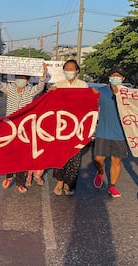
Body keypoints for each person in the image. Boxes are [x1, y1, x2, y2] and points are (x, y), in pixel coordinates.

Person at [0, 61, 47, 193]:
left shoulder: (30, 90)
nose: (20, 80)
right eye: (19, 77)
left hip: (24, 127)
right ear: (15, 78)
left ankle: (19, 183)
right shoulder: (10, 88)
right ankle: (8, 177)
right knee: (9, 153)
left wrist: (43, 74)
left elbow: (40, 88)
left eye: (23, 78)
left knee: (23, 156)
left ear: (28, 80)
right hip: (9, 126)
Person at [50, 59, 88, 196]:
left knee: (74, 157)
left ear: (77, 71)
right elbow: (50, 103)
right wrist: (51, 93)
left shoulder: (83, 85)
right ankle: (59, 181)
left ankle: (69, 184)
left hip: (77, 126)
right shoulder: (58, 85)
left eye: (71, 69)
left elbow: (86, 104)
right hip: (61, 127)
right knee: (60, 155)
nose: (69, 72)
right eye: (66, 69)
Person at [92, 66, 128, 198]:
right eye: (113, 76)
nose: (116, 78)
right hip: (103, 132)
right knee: (98, 159)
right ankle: (100, 171)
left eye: (119, 76)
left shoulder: (128, 94)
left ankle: (112, 186)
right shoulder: (101, 91)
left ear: (123, 78)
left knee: (116, 161)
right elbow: (85, 100)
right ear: (109, 77)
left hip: (120, 135)